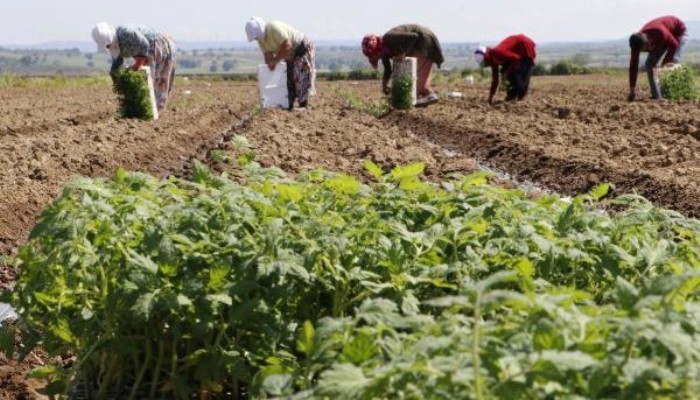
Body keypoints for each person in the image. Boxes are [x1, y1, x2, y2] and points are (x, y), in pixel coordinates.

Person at [91, 22, 176, 114]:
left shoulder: (125, 33)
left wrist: (138, 64)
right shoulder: (114, 45)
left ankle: (154, 115)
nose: (107, 47)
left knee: (155, 83)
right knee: (145, 84)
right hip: (147, 53)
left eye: (107, 44)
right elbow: (118, 61)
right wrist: (115, 76)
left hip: (157, 46)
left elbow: (145, 45)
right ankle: (146, 113)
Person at [361, 24, 444, 106]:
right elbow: (388, 70)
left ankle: (424, 96)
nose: (375, 57)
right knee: (412, 77)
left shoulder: (389, 38)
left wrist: (402, 53)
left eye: (374, 55)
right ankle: (428, 94)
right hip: (419, 45)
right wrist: (384, 86)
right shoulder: (384, 51)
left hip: (425, 42)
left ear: (377, 48)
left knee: (411, 81)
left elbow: (414, 37)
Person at [245, 16, 316, 111]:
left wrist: (276, 60)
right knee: (287, 77)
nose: (257, 39)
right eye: (255, 38)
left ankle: (303, 105)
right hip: (289, 54)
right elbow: (268, 57)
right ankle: (288, 104)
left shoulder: (273, 28)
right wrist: (268, 73)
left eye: (257, 36)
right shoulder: (261, 41)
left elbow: (287, 45)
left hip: (301, 48)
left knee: (299, 73)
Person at [628, 15, 687, 101]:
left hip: (678, 31)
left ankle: (678, 91)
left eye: (644, 49)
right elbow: (633, 66)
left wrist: (665, 62)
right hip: (662, 40)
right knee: (649, 65)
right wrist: (632, 90)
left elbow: (674, 44)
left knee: (673, 62)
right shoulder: (636, 43)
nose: (644, 51)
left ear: (647, 42)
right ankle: (657, 96)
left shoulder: (660, 33)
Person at [474, 34, 536, 105]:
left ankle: (519, 98)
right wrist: (490, 97)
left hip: (524, 47)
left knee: (519, 76)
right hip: (516, 54)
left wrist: (507, 72)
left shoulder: (498, 52)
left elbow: (517, 58)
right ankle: (512, 96)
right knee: (505, 72)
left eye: (485, 61)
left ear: (487, 57)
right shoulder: (493, 60)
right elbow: (495, 79)